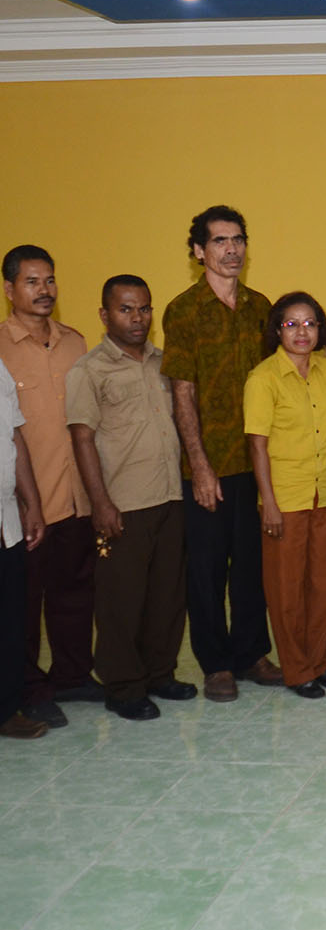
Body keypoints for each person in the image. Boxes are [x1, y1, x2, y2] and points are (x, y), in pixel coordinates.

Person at [162, 206, 281, 702]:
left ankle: (252, 652)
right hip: (207, 466)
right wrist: (201, 466)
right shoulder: (183, 310)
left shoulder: (261, 307)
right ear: (199, 251)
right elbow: (182, 393)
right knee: (207, 570)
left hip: (255, 463)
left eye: (238, 240)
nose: (231, 250)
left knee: (252, 566)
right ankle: (215, 664)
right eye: (219, 242)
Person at [66, 276, 194, 720]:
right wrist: (100, 503)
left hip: (170, 496)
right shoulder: (89, 370)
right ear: (104, 315)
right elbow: (82, 439)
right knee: (121, 600)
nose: (137, 318)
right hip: (123, 503)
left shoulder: (165, 363)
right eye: (126, 309)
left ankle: (160, 673)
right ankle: (123, 686)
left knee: (166, 596)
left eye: (144, 309)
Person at [0, 244, 98, 729]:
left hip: (77, 491)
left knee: (76, 589)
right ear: (9, 289)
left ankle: (73, 675)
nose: (44, 291)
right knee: (23, 601)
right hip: (25, 500)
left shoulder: (76, 343)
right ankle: (30, 688)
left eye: (50, 280)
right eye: (32, 282)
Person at [244, 292, 326, 698]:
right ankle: (297, 668)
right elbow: (257, 444)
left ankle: (319, 663)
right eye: (292, 324)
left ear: (320, 329)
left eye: (310, 323)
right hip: (284, 500)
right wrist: (267, 500)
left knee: (323, 586)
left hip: (325, 495)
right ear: (277, 330)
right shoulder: (263, 378)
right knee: (286, 590)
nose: (302, 332)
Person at [0, 358, 47, 738]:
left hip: (7, 520)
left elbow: (15, 436)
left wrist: (31, 502)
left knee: (11, 619)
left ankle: (7, 708)